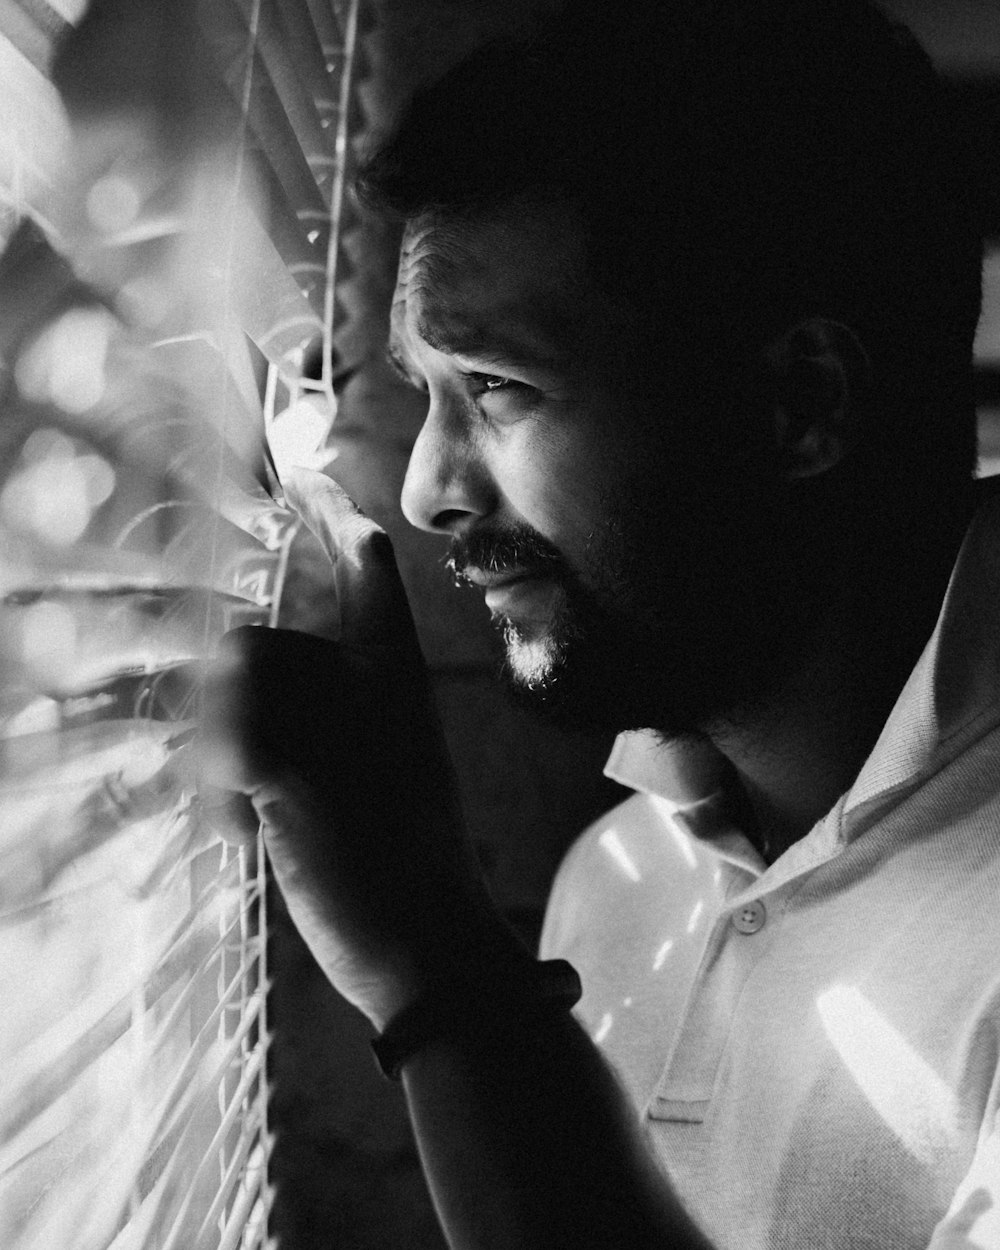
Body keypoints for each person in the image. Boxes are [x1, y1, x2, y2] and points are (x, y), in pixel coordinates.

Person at [202, 0, 1000, 1245]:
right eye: (426, 395)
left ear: (799, 403)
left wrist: (436, 966)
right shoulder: (623, 885)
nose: (424, 490)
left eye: (498, 388)